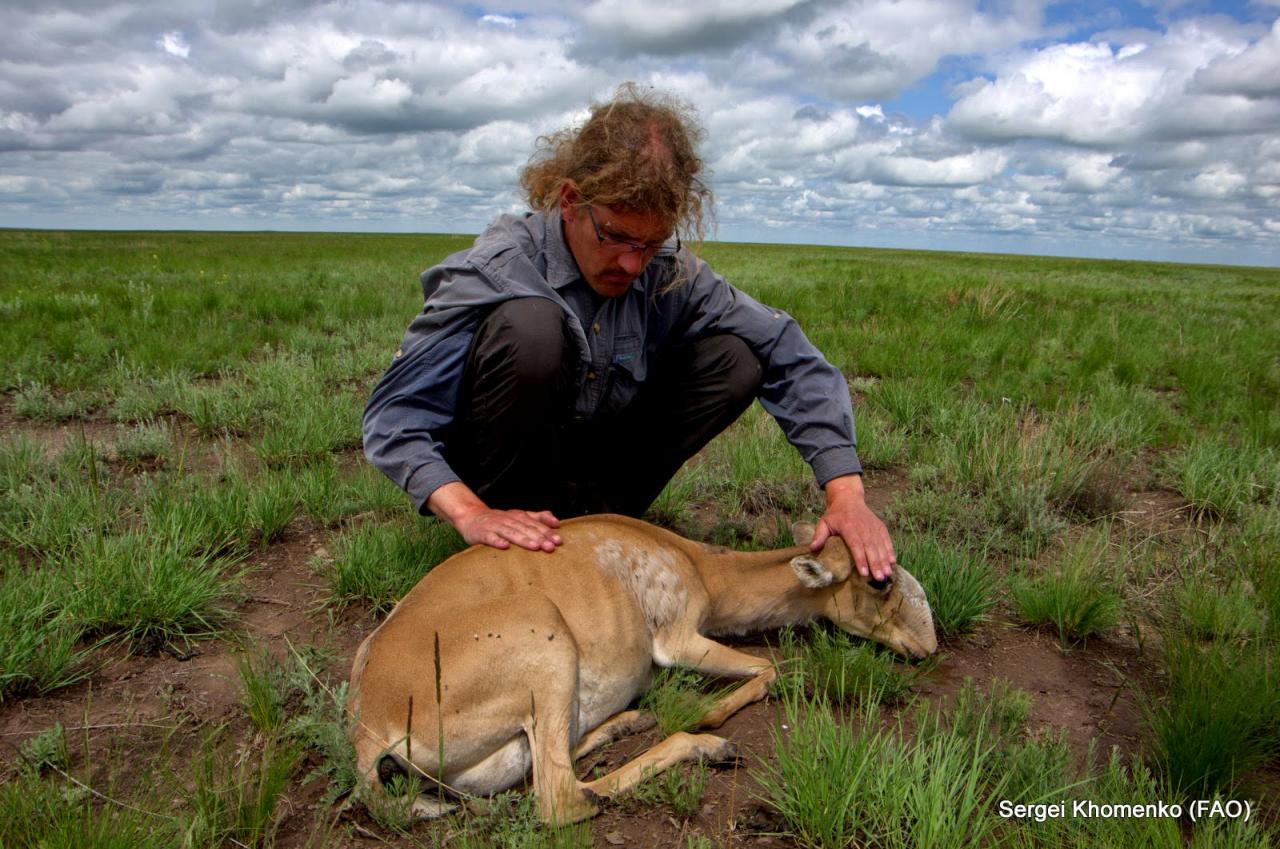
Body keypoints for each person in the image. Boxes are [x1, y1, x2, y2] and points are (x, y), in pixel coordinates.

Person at [362, 84, 896, 581]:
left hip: (595, 475)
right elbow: (395, 418)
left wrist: (846, 495)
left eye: (651, 243)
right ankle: (512, 532)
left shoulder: (665, 270)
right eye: (616, 236)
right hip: (500, 482)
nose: (632, 264)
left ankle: (601, 519)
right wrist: (470, 513)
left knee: (738, 357)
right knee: (532, 328)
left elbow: (785, 347)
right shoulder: (500, 268)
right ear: (569, 201)